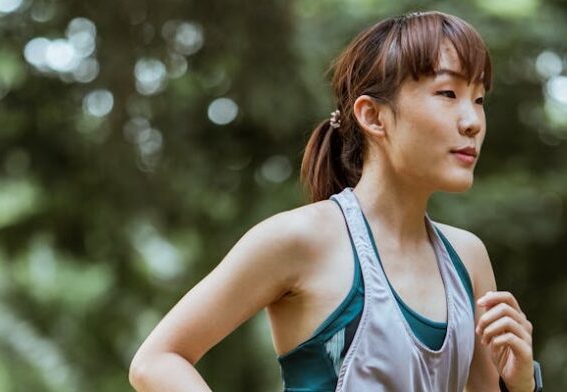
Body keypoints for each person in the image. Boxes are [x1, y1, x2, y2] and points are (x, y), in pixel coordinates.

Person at [129, 10, 541, 392]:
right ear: (373, 116)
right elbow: (157, 360)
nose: (472, 121)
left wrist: (520, 385)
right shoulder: (300, 239)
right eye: (448, 93)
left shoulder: (467, 258)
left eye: (480, 98)